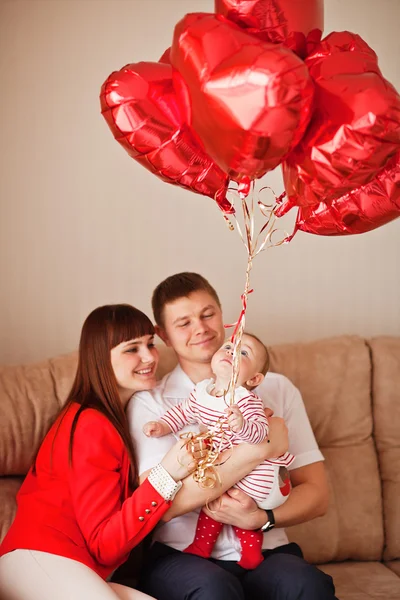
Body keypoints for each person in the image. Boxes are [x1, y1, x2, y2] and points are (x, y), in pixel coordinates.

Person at [123, 272, 337, 600]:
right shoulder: (151, 405)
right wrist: (258, 451)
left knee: (307, 586)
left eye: (208, 315)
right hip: (184, 554)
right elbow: (161, 507)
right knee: (213, 591)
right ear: (163, 334)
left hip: (266, 549)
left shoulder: (276, 388)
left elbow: (318, 494)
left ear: (224, 316)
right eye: (184, 323)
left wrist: (262, 518)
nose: (201, 328)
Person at [0, 304, 201, 600]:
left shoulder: (112, 418)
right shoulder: (90, 422)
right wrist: (167, 473)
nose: (149, 357)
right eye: (132, 349)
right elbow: (104, 543)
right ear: (100, 359)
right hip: (39, 558)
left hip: (77, 568)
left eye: (150, 344)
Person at [143, 332, 294, 569]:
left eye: (243, 353)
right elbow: (183, 413)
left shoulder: (246, 401)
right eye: (228, 346)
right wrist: (162, 426)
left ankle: (248, 550)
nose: (232, 352)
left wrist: (242, 425)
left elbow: (261, 434)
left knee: (226, 503)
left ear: (254, 379)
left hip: (258, 473)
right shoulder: (203, 392)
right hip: (233, 465)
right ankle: (205, 548)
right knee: (216, 502)